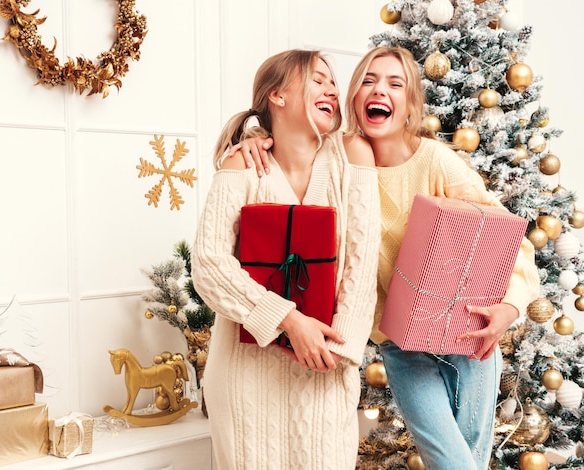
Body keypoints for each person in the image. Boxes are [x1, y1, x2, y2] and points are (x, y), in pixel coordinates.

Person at [232, 46, 540, 470]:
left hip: (470, 336)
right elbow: (286, 139)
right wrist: (253, 137)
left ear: (410, 104)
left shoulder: (436, 162)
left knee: (470, 460)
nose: (381, 90)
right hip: (399, 346)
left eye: (395, 84)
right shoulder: (335, 156)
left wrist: (510, 305)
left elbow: (511, 238)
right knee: (453, 463)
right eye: (369, 81)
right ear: (355, 97)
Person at [191, 49, 381, 470]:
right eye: (317, 79)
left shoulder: (353, 157)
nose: (332, 88)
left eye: (333, 82)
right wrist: (289, 322)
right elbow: (208, 265)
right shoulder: (243, 162)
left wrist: (339, 349)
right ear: (277, 95)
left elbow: (361, 268)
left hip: (327, 369)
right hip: (245, 381)